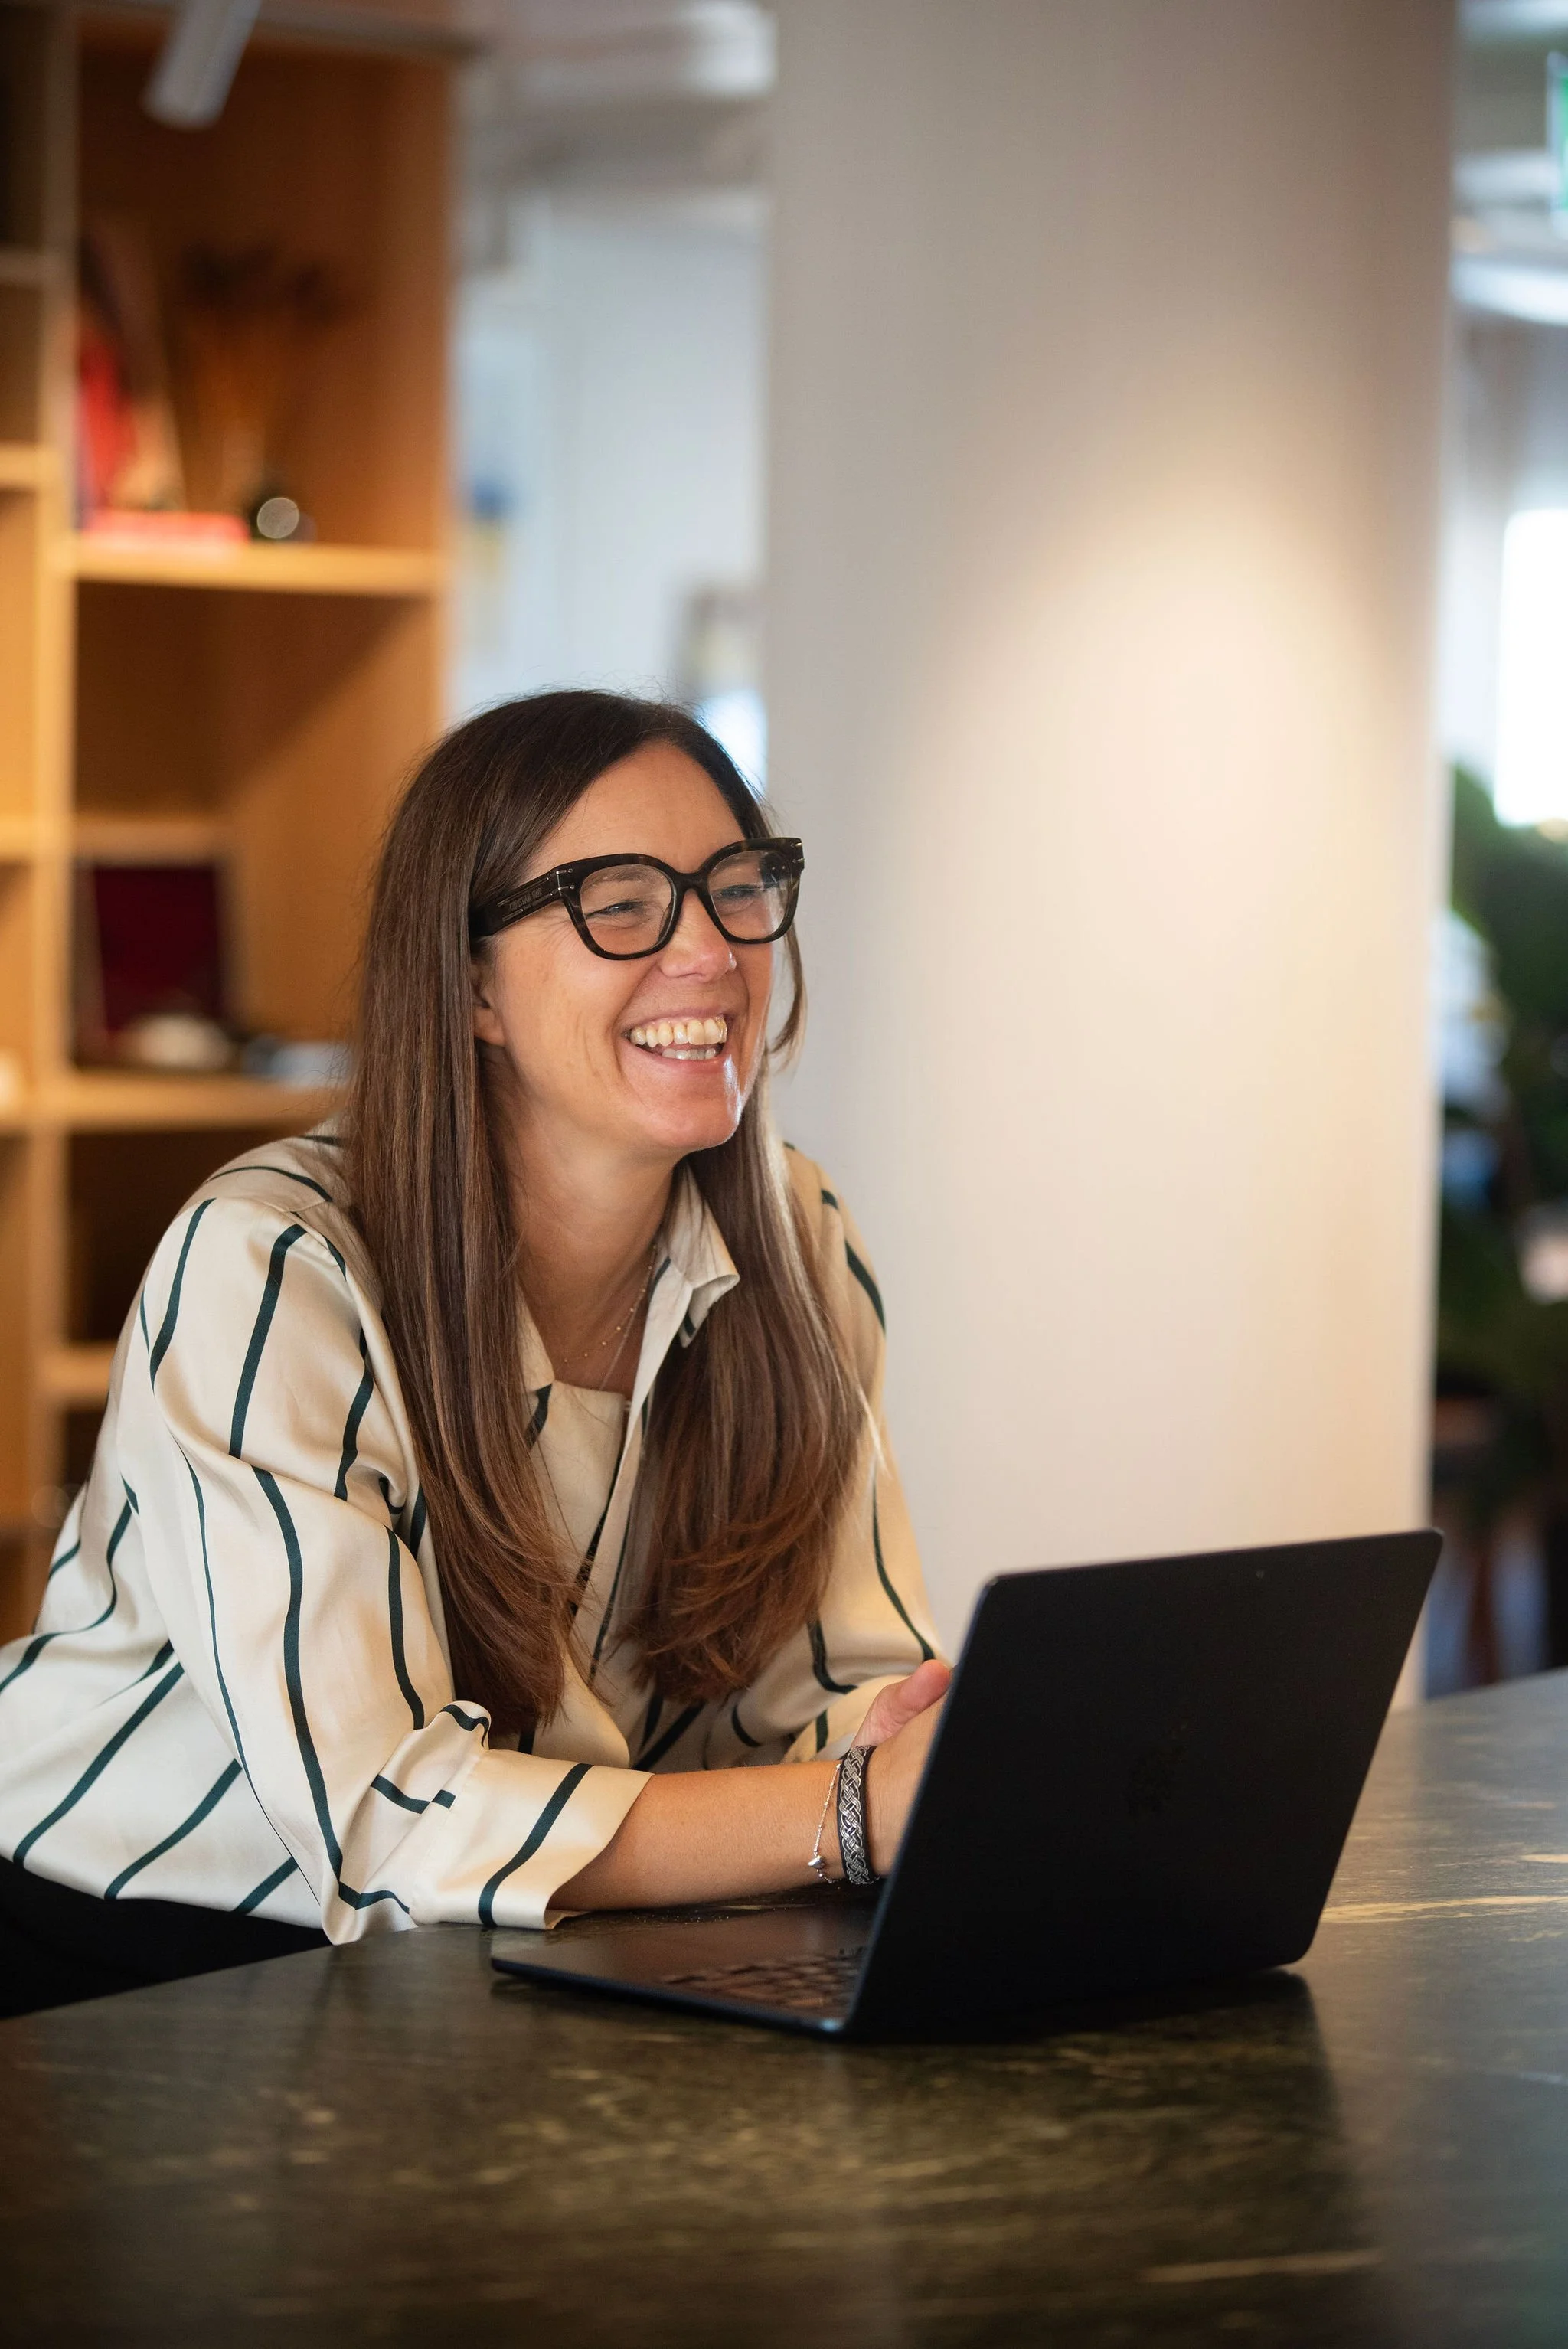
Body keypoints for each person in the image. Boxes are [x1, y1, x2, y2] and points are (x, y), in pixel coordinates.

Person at [0, 692, 949, 2017]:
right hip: (133, 1967)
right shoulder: (276, 1265)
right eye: (620, 904)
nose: (710, 952)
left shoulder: (798, 1237)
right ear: (468, 984)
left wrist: (905, 1754)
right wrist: (846, 1812)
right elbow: (384, 1822)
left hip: (524, 1946)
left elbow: (830, 1699)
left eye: (738, 890)